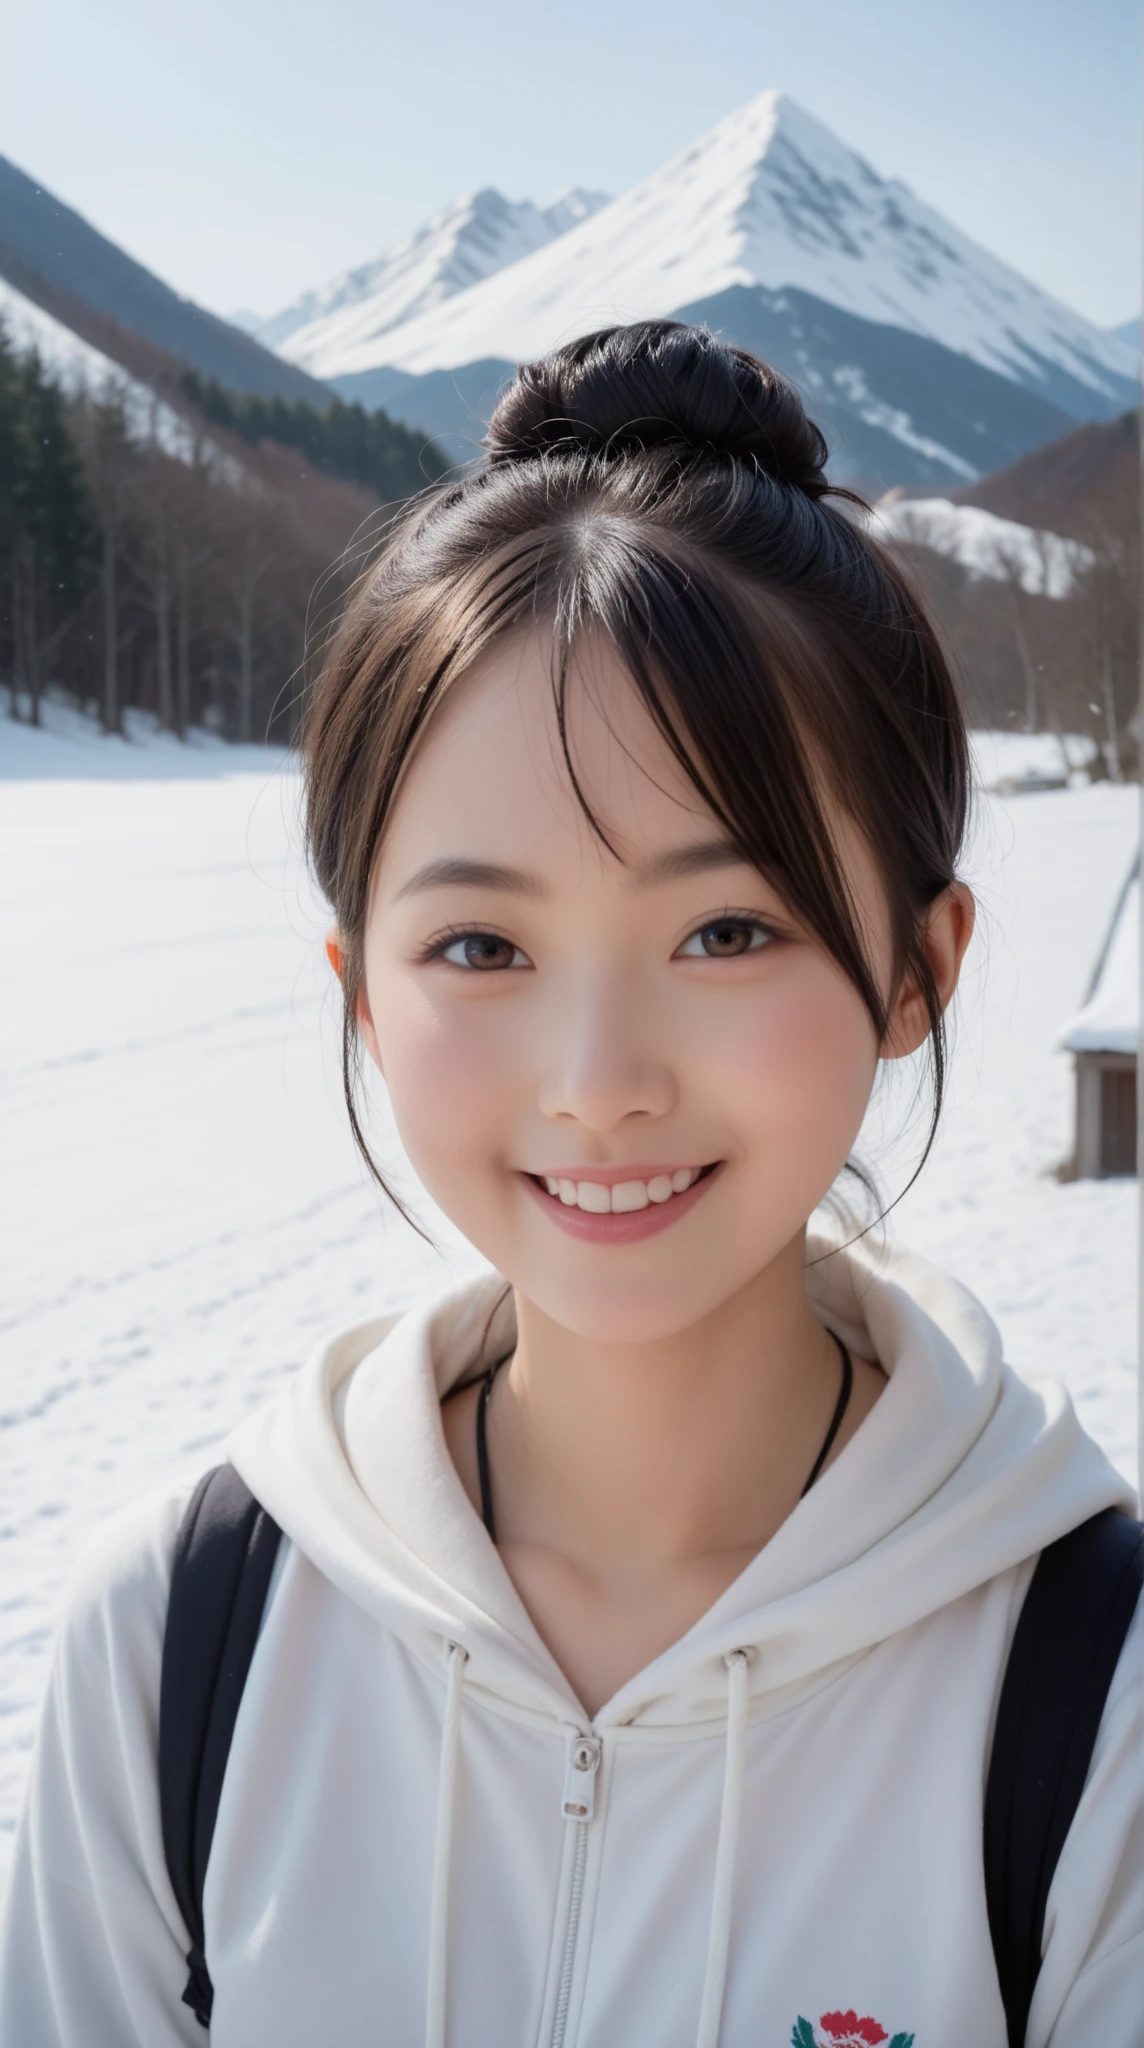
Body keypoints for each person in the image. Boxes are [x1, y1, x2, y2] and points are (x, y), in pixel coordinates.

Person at [1, 322, 1139, 2048]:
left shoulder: (1097, 1697)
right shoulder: (182, 1641)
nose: (600, 1083)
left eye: (726, 928)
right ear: (362, 991)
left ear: (920, 968)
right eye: (481, 944)